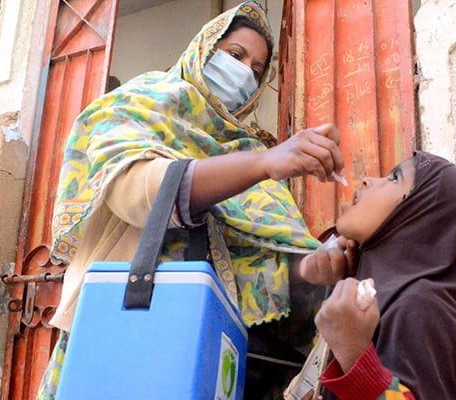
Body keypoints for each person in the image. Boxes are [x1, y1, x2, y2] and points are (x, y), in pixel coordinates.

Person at [37, 2, 345, 399]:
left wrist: (314, 269)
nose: (244, 76)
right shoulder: (148, 100)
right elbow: (136, 192)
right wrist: (264, 163)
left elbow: (256, 283)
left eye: (256, 71)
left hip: (215, 358)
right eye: (235, 56)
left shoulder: (244, 147)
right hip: (131, 331)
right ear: (204, 49)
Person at [297, 151, 456, 399]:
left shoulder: (424, 308)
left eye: (394, 178)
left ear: (423, 217)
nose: (367, 180)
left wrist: (354, 355)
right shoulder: (386, 305)